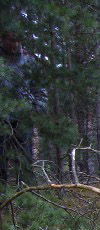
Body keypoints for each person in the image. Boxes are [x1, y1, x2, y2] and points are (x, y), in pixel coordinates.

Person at [1, 31, 46, 184]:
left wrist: (37, 107)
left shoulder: (29, 62)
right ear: (3, 40)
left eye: (17, 40)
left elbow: (40, 89)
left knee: (25, 164)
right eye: (11, 40)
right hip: (2, 120)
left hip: (22, 120)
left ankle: (28, 197)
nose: (15, 44)